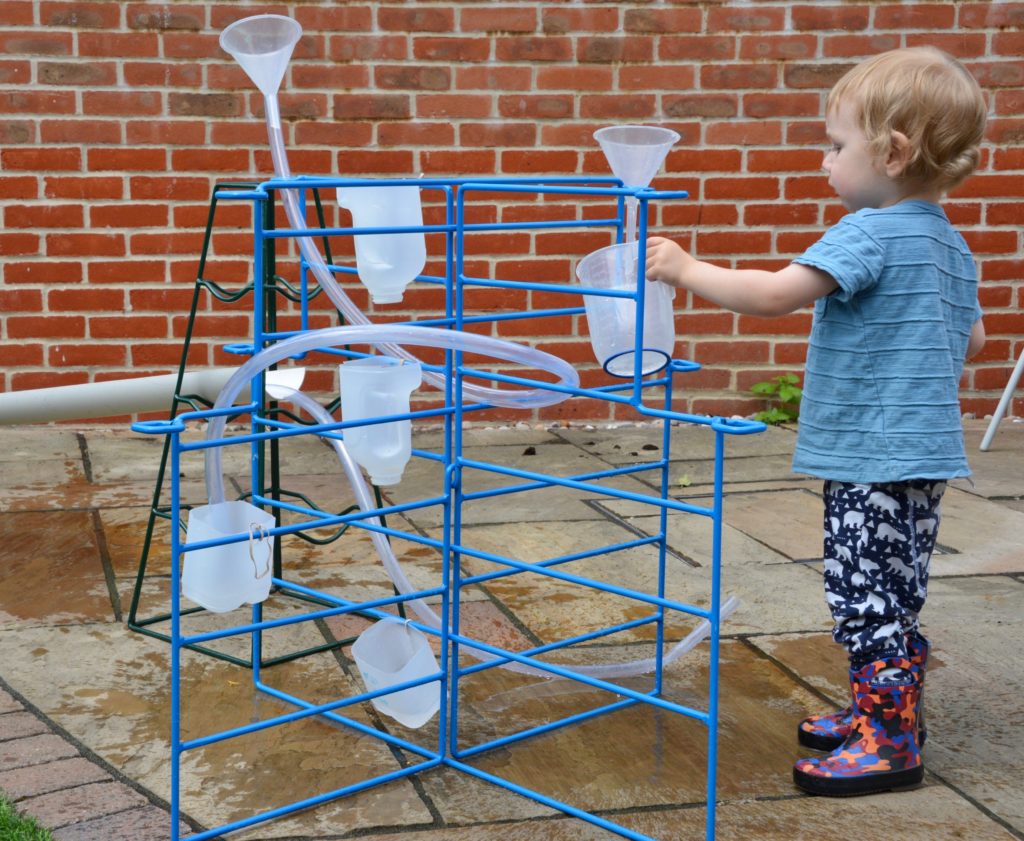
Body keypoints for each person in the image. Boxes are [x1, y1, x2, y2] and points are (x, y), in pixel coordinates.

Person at [645, 46, 987, 797]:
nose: (826, 162)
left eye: (837, 146)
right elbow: (972, 341)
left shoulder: (867, 231)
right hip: (926, 453)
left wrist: (684, 269)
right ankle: (885, 711)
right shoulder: (952, 245)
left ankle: (890, 740)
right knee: (895, 588)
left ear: (892, 152)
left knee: (861, 592)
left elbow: (773, 295)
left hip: (869, 454)